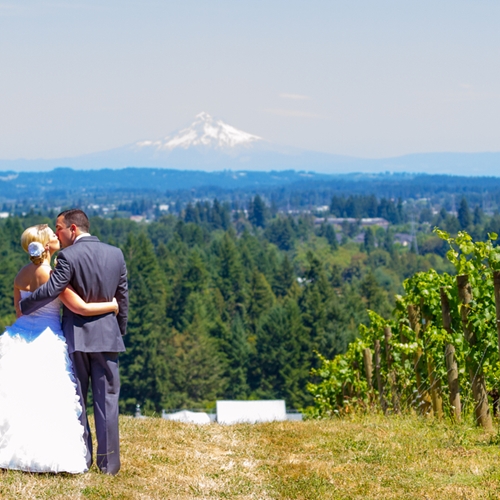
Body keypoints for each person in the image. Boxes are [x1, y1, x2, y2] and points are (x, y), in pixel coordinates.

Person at [0, 224, 119, 473]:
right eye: (52, 235)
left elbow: (20, 311)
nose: (57, 237)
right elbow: (81, 308)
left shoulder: (21, 274)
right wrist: (112, 305)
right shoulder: (52, 275)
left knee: (20, 399)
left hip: (20, 336)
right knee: (46, 400)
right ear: (46, 246)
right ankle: (44, 457)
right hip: (47, 339)